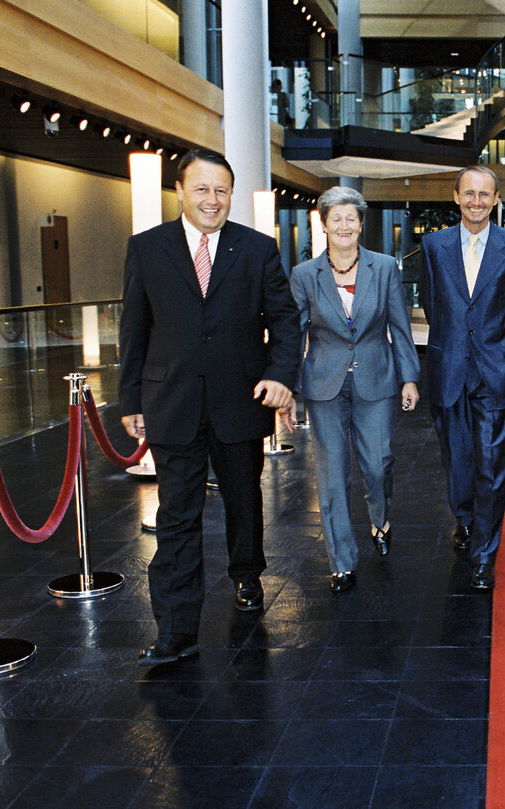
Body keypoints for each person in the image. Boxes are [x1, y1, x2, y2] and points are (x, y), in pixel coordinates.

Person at [120, 148, 300, 665]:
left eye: (221, 190)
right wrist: (130, 398)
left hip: (240, 399)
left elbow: (285, 322)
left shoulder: (257, 249)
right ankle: (176, 630)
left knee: (244, 500)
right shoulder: (147, 249)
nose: (212, 200)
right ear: (179, 190)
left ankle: (247, 575)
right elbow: (134, 330)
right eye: (202, 189)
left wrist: (279, 375)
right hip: (171, 402)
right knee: (177, 516)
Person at [288, 187, 420, 592]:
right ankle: (341, 561)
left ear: (361, 224)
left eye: (351, 218)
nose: (344, 226)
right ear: (323, 224)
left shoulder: (382, 268)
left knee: (378, 463)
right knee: (331, 476)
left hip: (376, 378)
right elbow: (294, 336)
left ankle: (380, 517)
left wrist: (409, 377)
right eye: (336, 218)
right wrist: (291, 393)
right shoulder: (305, 275)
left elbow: (399, 325)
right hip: (323, 383)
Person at [421, 165, 505, 590]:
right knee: (458, 462)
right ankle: (465, 519)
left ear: (496, 198)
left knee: (491, 466)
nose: (476, 201)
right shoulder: (433, 246)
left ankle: (484, 555)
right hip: (448, 368)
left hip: (493, 373)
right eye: (469, 194)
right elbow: (434, 307)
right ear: (455, 196)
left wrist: (498, 350)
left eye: (484, 195)